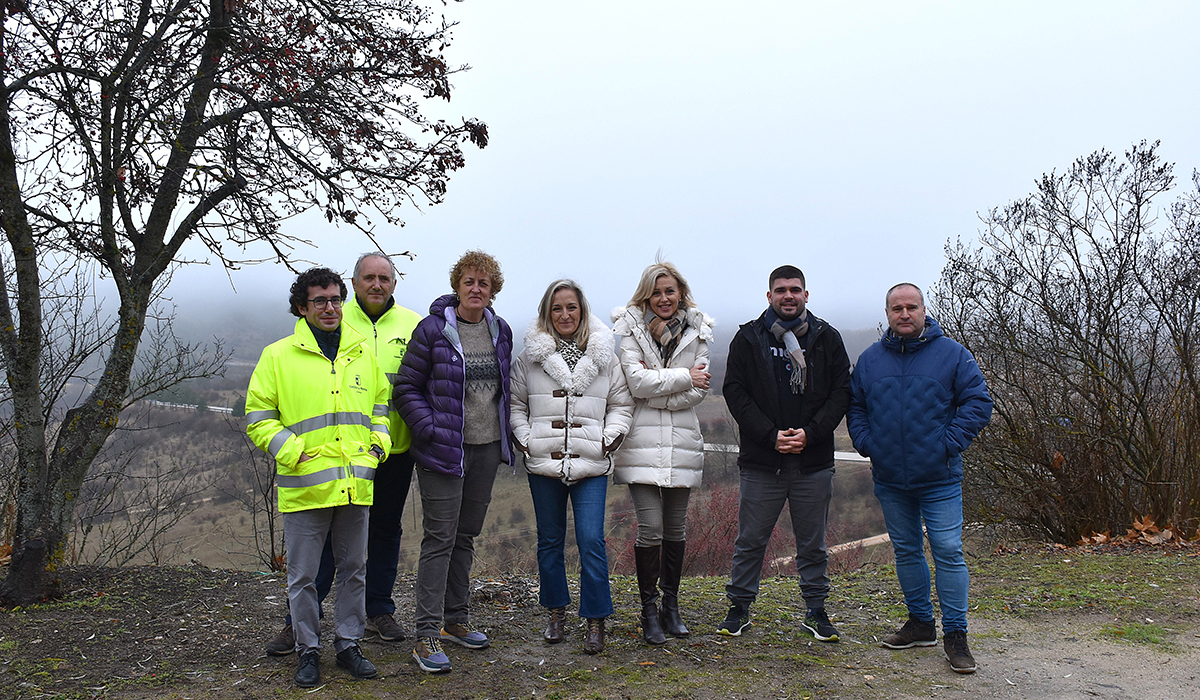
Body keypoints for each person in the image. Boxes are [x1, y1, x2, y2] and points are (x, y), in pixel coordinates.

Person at [263, 252, 422, 655]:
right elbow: (268, 411)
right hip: (326, 463)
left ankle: (379, 611)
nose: (376, 284)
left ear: (394, 283)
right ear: (354, 282)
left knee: (383, 534)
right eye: (368, 277)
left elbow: (400, 392)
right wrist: (297, 453)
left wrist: (382, 444)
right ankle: (298, 625)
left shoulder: (413, 324)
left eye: (384, 277)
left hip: (390, 451)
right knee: (324, 549)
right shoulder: (335, 319)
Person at [246, 267, 389, 687]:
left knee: (354, 569)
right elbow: (258, 418)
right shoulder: (278, 355)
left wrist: (377, 446)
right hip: (306, 486)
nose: (330, 308)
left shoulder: (362, 352)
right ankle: (308, 649)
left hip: (355, 483)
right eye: (320, 301)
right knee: (304, 576)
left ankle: (348, 645)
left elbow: (380, 405)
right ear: (301, 307)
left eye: (336, 299)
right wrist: (295, 452)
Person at [847, 282, 993, 674]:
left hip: (939, 476)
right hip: (891, 477)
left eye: (912, 307)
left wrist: (948, 443)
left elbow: (979, 402)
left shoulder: (952, 355)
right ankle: (921, 623)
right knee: (907, 550)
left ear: (924, 310)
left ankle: (956, 635)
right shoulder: (870, 360)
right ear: (888, 314)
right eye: (897, 308)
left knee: (947, 549)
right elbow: (855, 407)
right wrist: (866, 443)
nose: (905, 314)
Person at [395, 250, 514, 674]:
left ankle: (455, 621)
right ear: (456, 286)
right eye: (469, 281)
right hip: (443, 451)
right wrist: (429, 428)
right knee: (439, 539)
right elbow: (406, 387)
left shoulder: (501, 331)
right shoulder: (432, 330)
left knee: (465, 536)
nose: (476, 289)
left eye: (484, 283)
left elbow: (503, 391)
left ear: (492, 289)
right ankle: (425, 636)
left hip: (485, 449)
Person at [719, 265, 851, 642]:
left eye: (795, 289)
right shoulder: (748, 338)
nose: (788, 296)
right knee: (750, 540)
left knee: (812, 544)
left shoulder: (827, 338)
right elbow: (735, 393)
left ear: (806, 295)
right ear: (769, 297)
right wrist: (770, 436)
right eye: (781, 290)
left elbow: (841, 392)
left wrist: (809, 434)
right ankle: (739, 608)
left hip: (813, 461)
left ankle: (816, 610)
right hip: (763, 462)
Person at [511, 280, 633, 655]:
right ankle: (556, 612)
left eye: (571, 308)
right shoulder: (528, 358)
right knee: (549, 542)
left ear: (582, 311)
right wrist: (527, 440)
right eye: (557, 309)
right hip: (544, 462)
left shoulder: (605, 357)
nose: (564, 315)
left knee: (591, 540)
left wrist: (606, 440)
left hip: (591, 464)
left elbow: (621, 405)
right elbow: (516, 405)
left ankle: (596, 619)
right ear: (547, 313)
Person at [610, 262, 714, 644]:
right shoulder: (632, 333)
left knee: (676, 528)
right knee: (650, 527)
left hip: (683, 442)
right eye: (657, 292)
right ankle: (648, 610)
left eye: (670, 291)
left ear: (680, 293)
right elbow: (636, 384)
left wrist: (662, 393)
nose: (664, 298)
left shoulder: (699, 332)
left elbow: (702, 391)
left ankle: (671, 607)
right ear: (646, 296)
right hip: (640, 445)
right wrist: (684, 378)